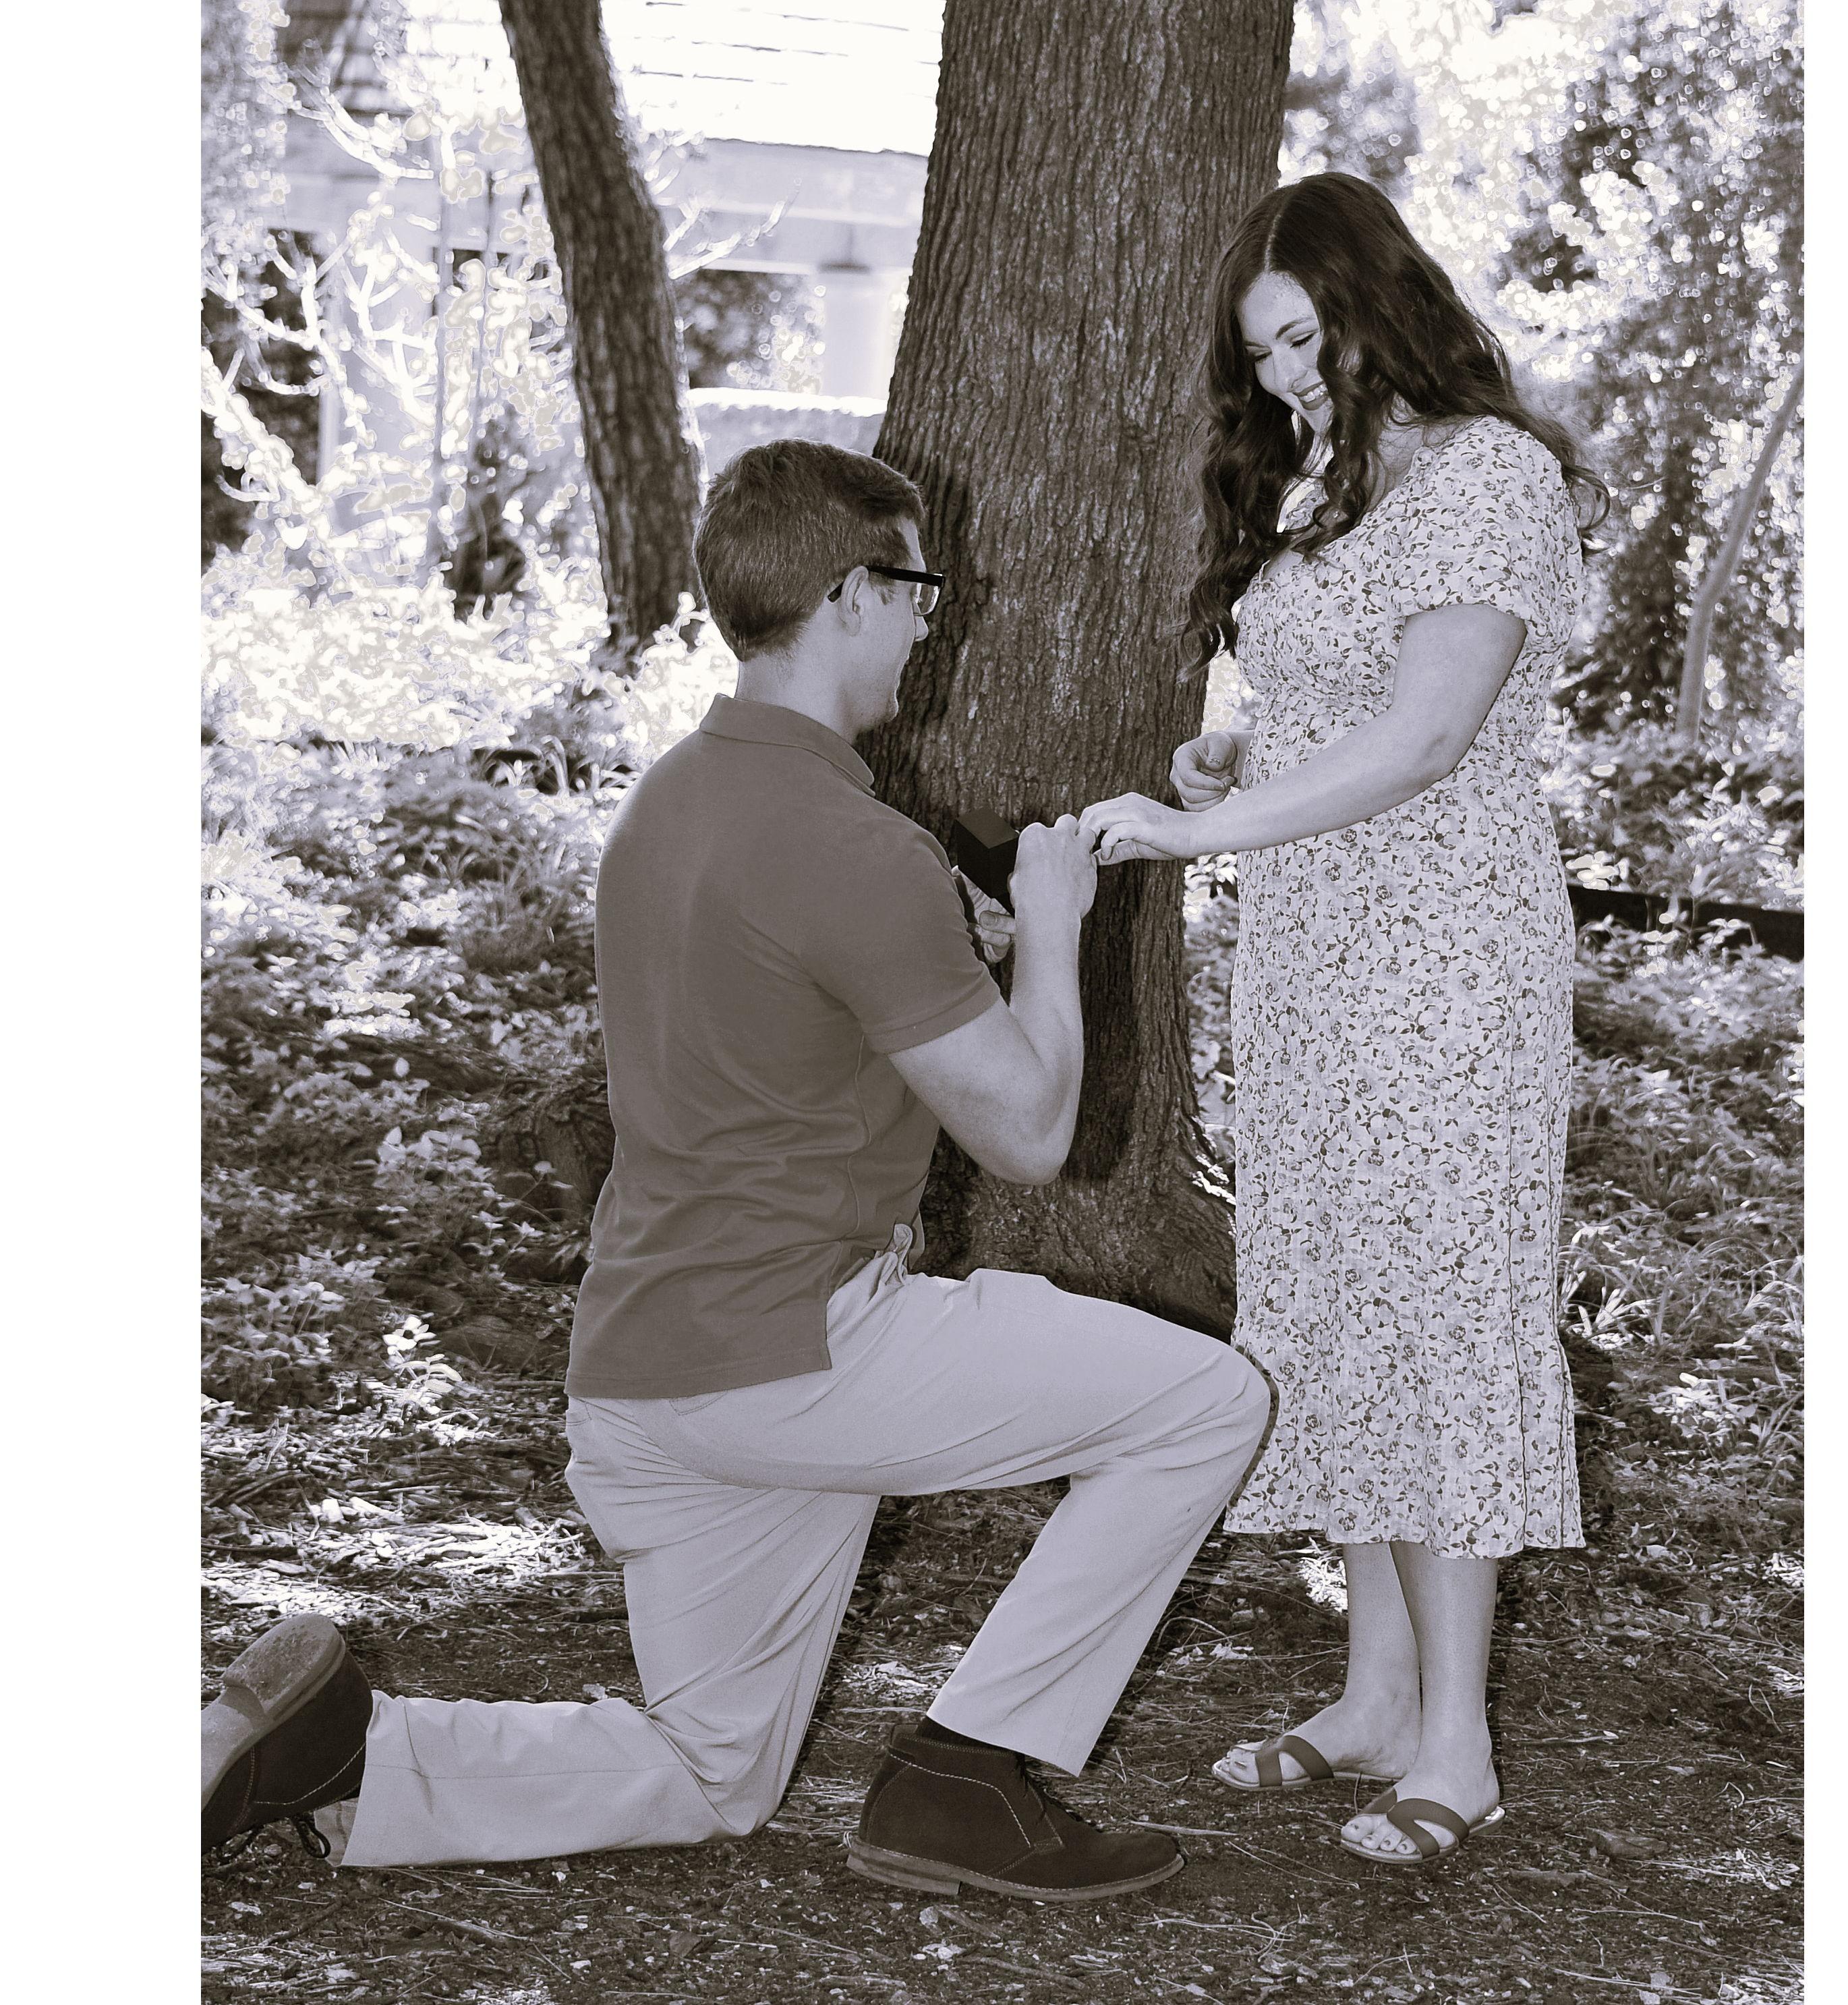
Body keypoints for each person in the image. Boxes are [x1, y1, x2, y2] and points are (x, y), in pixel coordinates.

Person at [202, 439, 1271, 1903]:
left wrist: (958, 945)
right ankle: (973, 1773)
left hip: (645, 1381)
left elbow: (792, 1012)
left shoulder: (669, 806)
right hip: (800, 1355)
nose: (928, 620)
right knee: (1208, 1402)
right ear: (846, 594)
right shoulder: (856, 849)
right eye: (913, 591)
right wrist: (1061, 921)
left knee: (715, 1772)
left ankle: (343, 1756)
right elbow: (1028, 1136)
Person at [1081, 173, 1608, 1869]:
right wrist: (1227, 759)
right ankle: (1375, 1689)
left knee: (1448, 1303)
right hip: (1311, 959)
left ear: (1384, 298)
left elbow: (1426, 738)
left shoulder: (1492, 476)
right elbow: (1320, 713)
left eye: (1306, 338)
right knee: (1346, 1298)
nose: (1289, 379)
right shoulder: (1317, 479)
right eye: (1264, 354)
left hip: (1446, 957)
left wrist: (1187, 835)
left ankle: (1459, 1739)